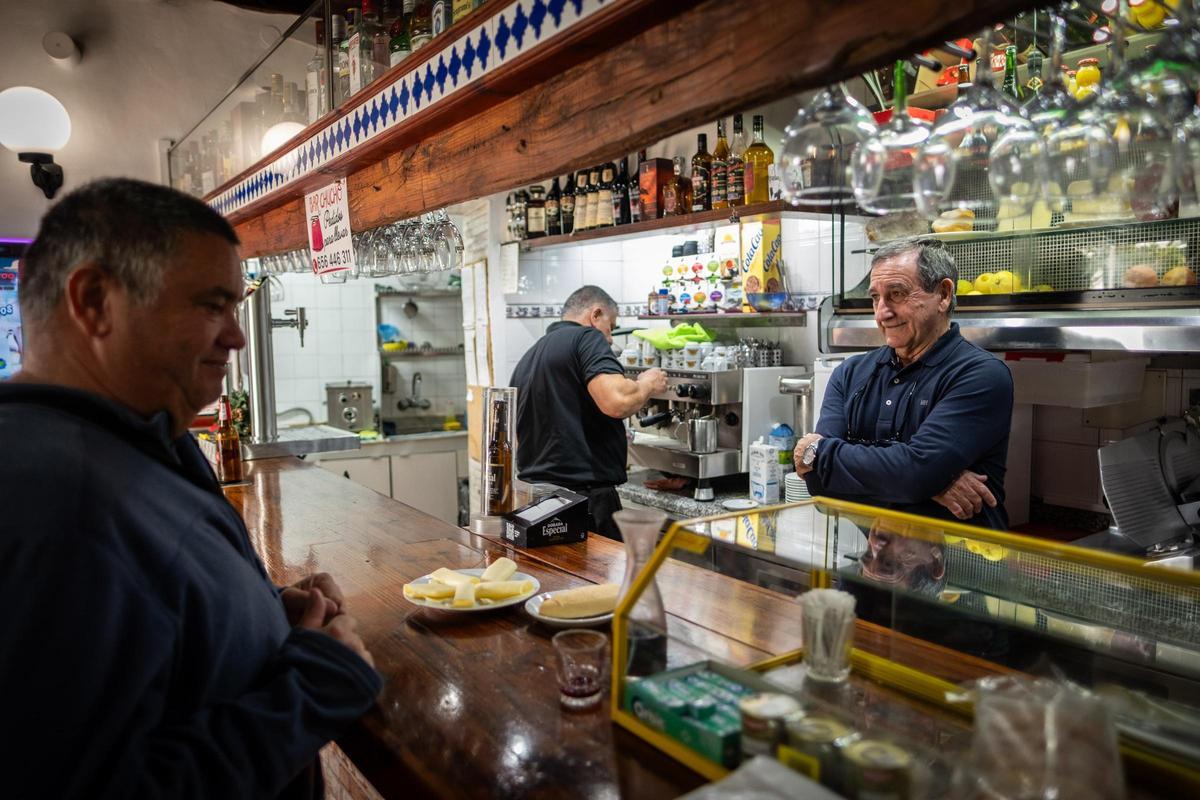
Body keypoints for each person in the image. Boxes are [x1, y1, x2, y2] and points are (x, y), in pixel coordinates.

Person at [0, 179, 381, 799]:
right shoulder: (61, 505)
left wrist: (250, 611)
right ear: (94, 300)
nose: (235, 336)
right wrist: (315, 684)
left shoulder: (137, 436)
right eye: (212, 305)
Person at [794, 237, 1014, 530]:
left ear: (944, 294)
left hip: (960, 564)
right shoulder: (849, 373)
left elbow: (914, 474)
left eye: (897, 294)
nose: (882, 312)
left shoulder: (981, 375)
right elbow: (818, 481)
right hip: (874, 562)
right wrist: (929, 481)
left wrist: (823, 454)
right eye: (875, 298)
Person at [510, 285, 667, 540]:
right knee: (603, 579)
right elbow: (616, 401)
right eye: (611, 327)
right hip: (584, 501)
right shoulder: (586, 338)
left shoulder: (530, 356)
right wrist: (648, 384)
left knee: (559, 579)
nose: (610, 338)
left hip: (536, 499)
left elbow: (517, 436)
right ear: (596, 315)